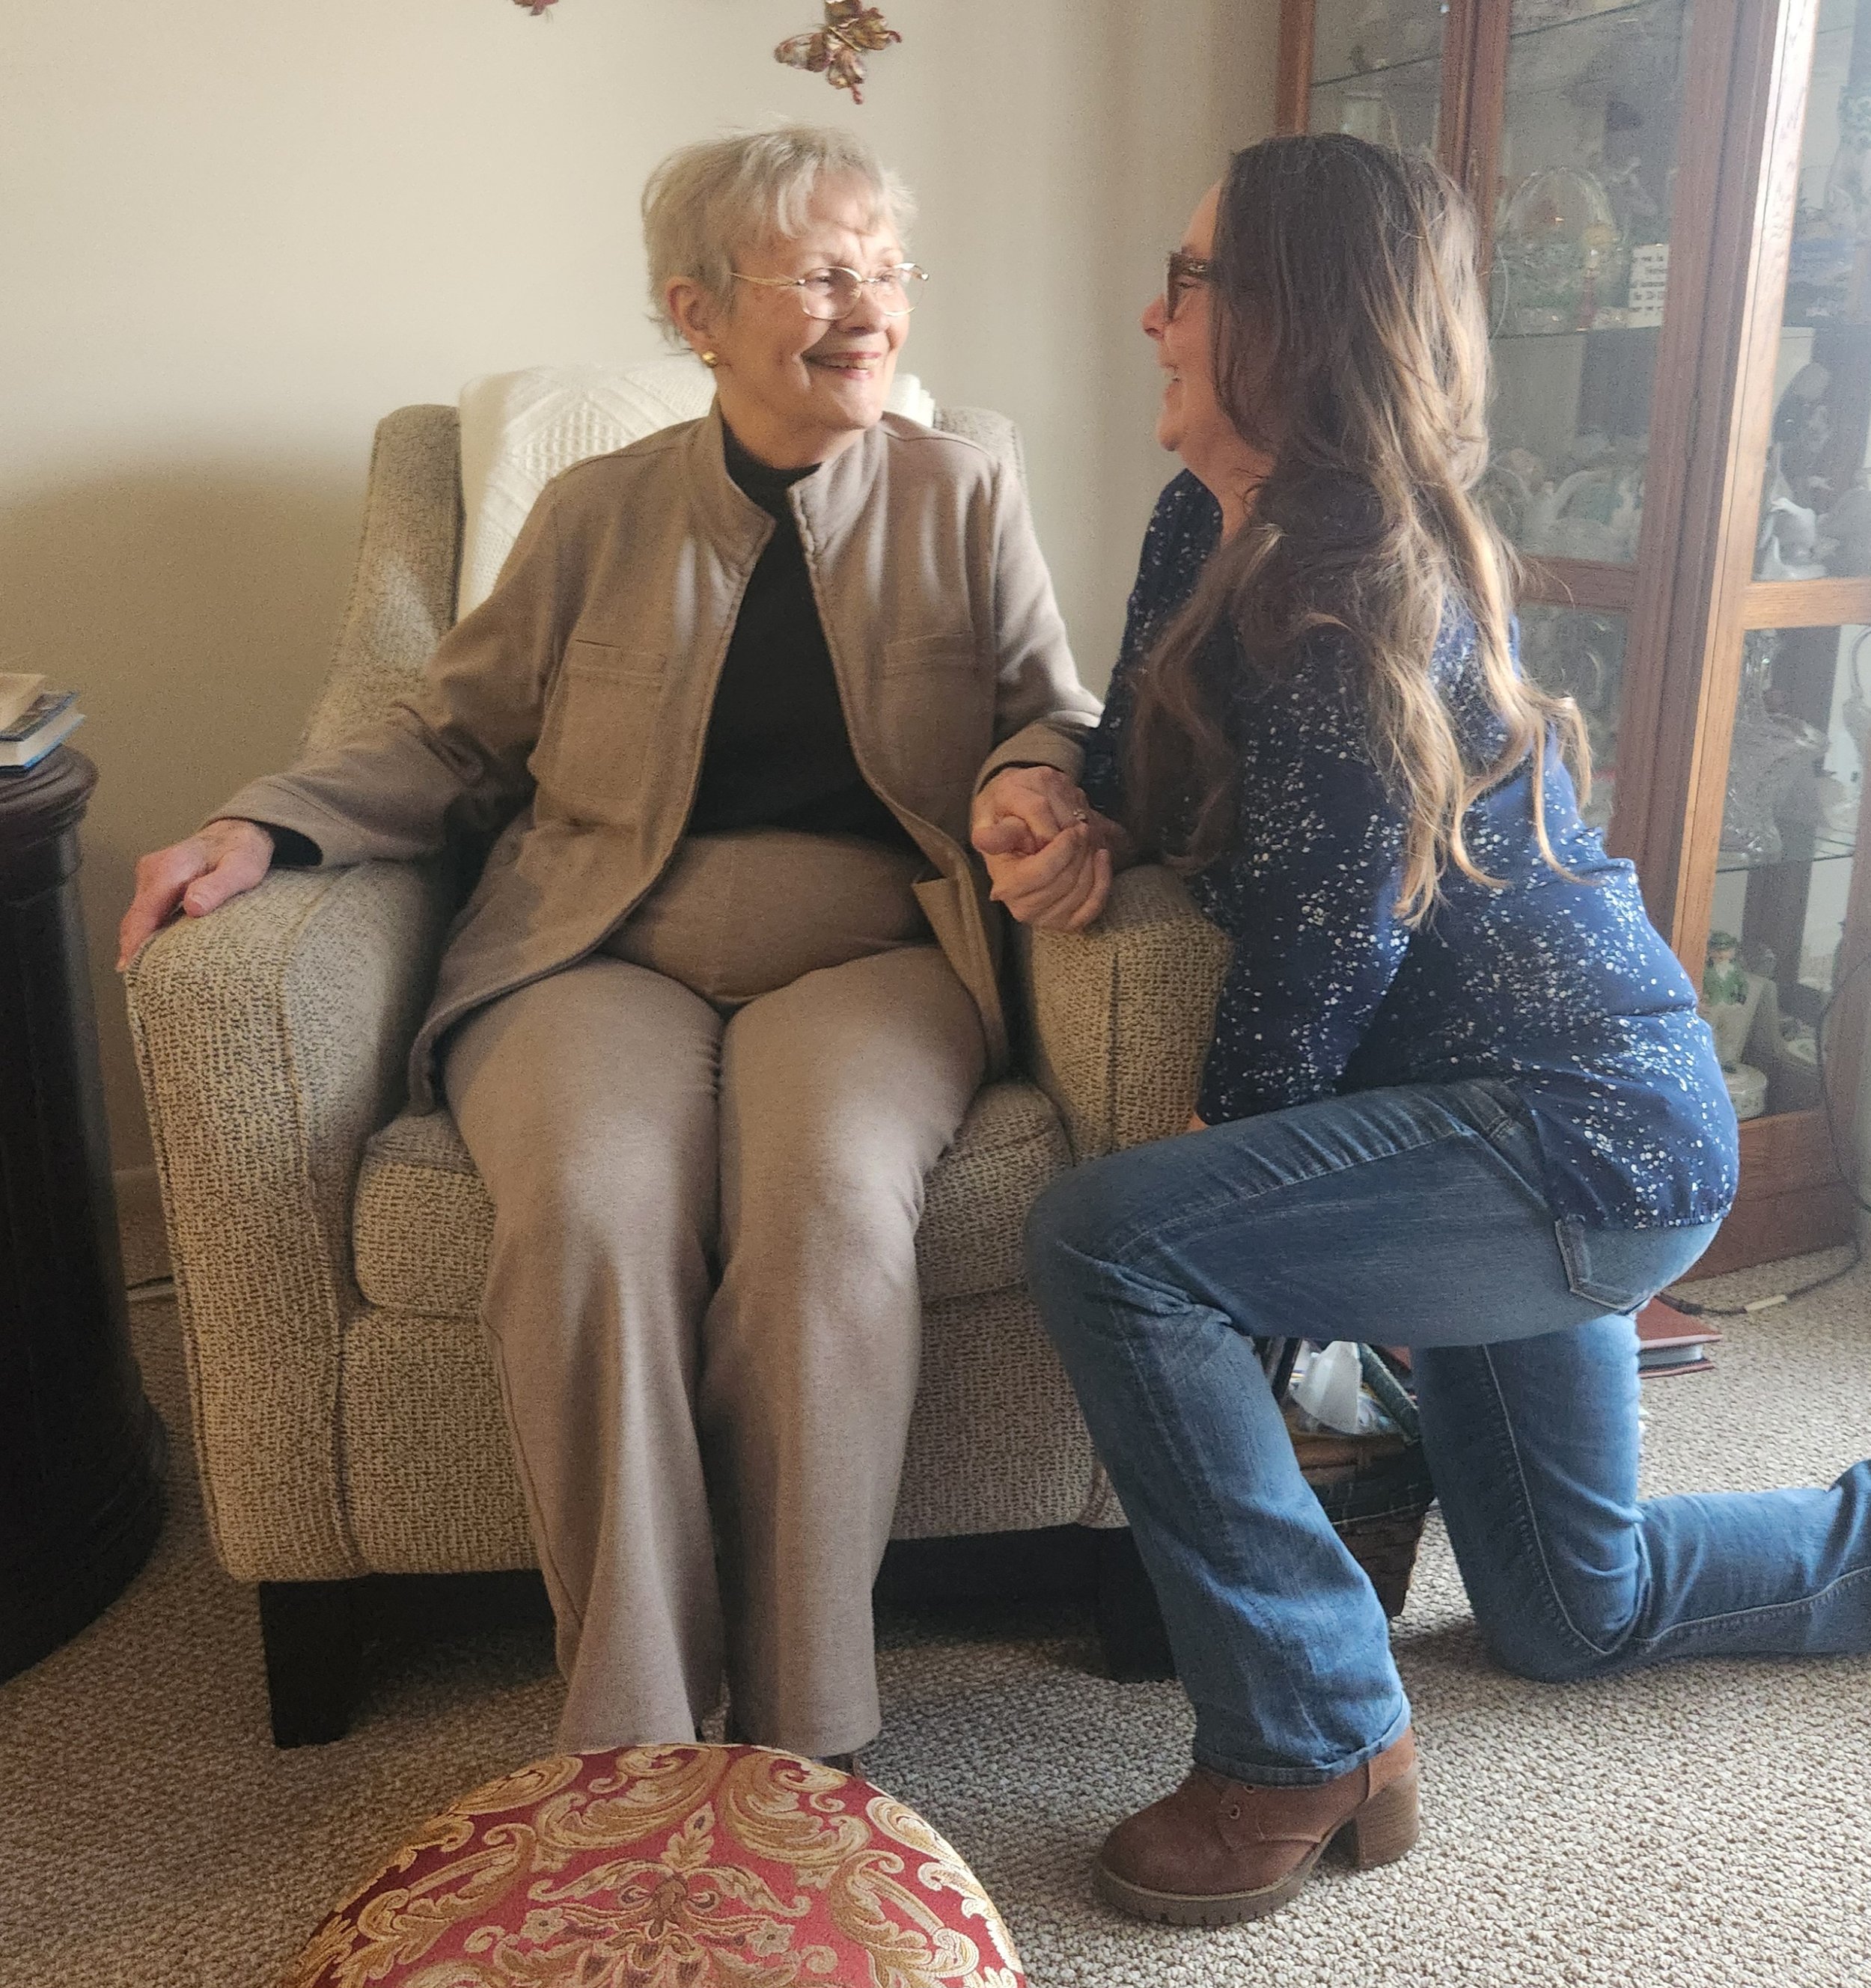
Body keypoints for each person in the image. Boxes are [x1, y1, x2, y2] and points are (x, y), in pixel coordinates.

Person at [974, 133, 1871, 1927]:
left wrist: (1233, 1232)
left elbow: (1307, 975)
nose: (1150, 314)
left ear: (1287, 320)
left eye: (1190, 280)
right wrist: (1051, 792)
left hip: (1574, 1137)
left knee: (1114, 1247)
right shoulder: (1198, 523)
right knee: (1569, 1609)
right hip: (1495, 1123)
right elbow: (1143, 759)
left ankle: (1300, 1732)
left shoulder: (1350, 587)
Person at [119, 125, 1099, 1765]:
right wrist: (266, 825)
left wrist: (1029, 791)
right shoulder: (591, 514)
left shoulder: (963, 491)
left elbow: (1041, 709)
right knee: (587, 1212)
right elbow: (451, 743)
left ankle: (803, 1734)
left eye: (883, 268)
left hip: (865, 950)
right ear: (697, 312)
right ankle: (635, 1731)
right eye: (817, 273)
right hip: (595, 943)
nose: (865, 308)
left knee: (828, 1215)